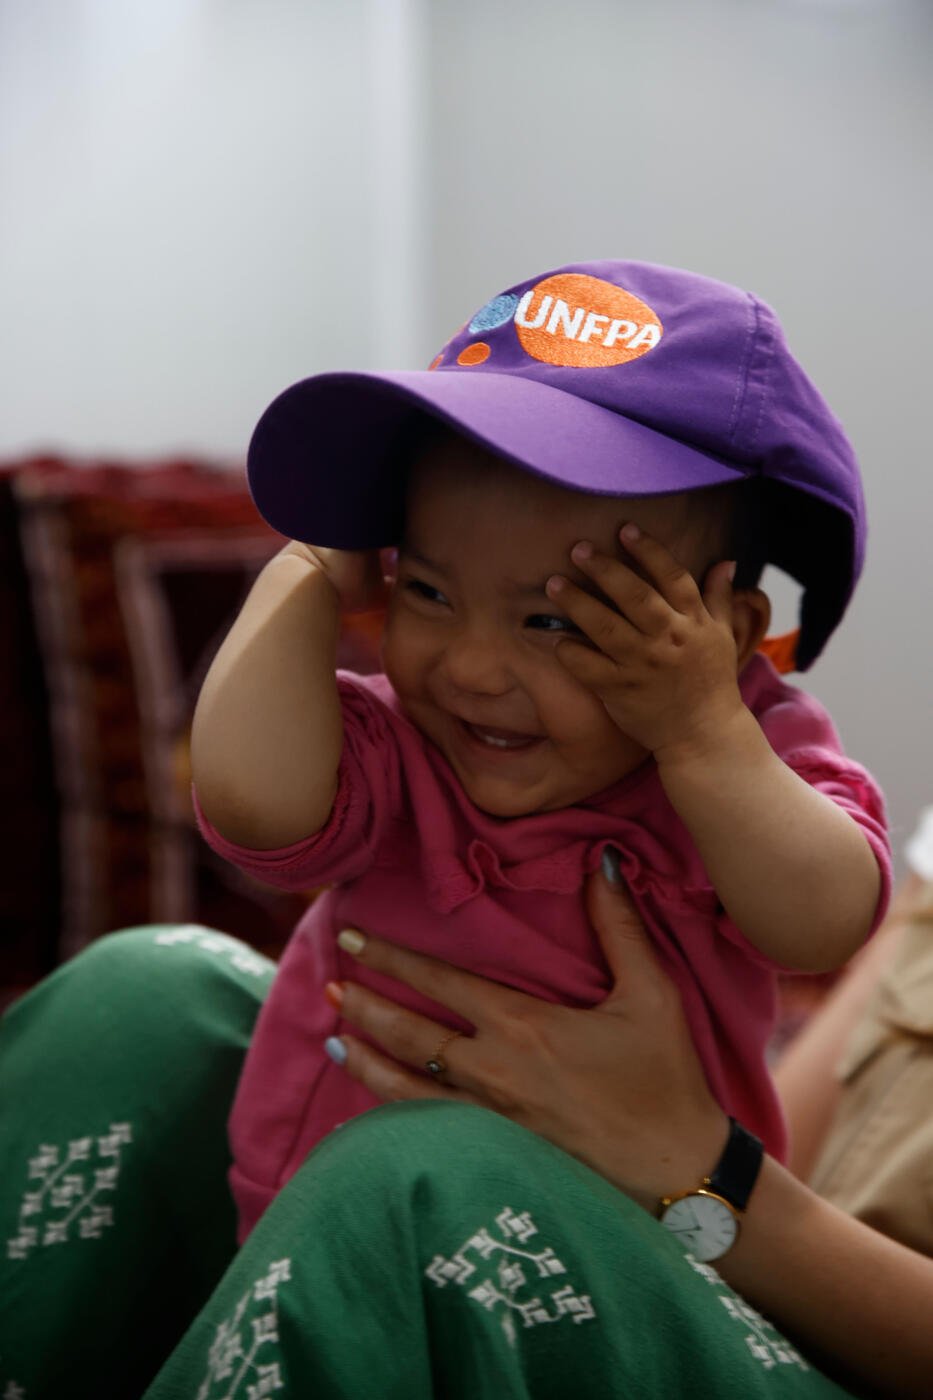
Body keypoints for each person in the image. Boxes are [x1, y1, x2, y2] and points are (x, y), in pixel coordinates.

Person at [191, 259, 891, 1242]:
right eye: (427, 590)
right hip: (325, 1230)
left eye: (556, 621)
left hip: (614, 1258)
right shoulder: (403, 741)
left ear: (728, 637)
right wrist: (308, 562)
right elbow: (250, 803)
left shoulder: (747, 750)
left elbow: (823, 923)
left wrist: (700, 735)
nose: (473, 668)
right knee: (146, 984)